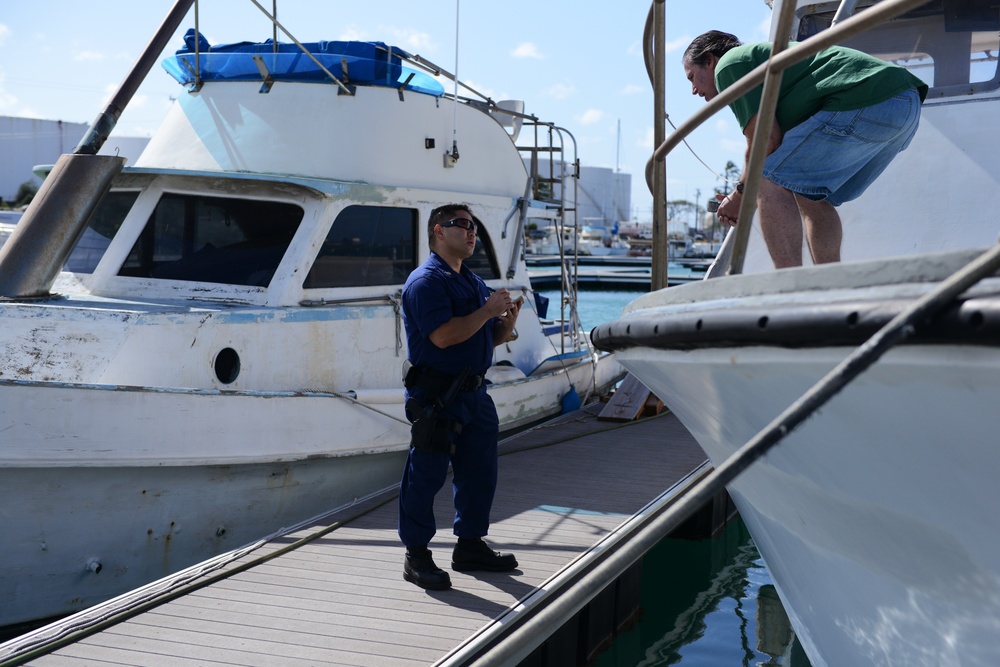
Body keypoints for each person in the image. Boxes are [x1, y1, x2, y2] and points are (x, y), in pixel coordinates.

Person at [682, 30, 927, 268]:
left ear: (709, 60)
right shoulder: (755, 61)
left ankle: (789, 287)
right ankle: (827, 283)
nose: (693, 90)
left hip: (868, 98)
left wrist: (739, 196)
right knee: (808, 193)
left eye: (691, 77)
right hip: (906, 105)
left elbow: (764, 142)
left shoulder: (728, 66)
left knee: (766, 178)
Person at [397, 203, 522, 590]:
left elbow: (487, 337)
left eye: (474, 227)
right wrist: (487, 311)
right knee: (426, 475)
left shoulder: (470, 280)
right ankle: (416, 555)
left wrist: (506, 325)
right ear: (438, 231)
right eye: (462, 225)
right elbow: (443, 336)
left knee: (479, 473)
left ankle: (470, 545)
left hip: (474, 394)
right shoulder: (426, 282)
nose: (472, 233)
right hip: (438, 396)